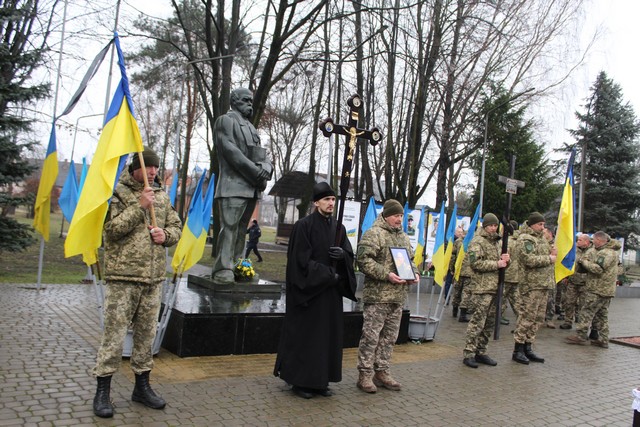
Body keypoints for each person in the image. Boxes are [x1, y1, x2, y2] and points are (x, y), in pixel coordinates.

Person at [92, 147, 182, 418]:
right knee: (114, 337)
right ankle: (102, 392)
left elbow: (176, 227)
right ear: (135, 169)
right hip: (123, 278)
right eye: (148, 167)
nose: (153, 172)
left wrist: (164, 235)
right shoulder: (118, 192)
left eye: (156, 168)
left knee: (146, 337)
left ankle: (141, 388)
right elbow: (111, 231)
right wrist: (139, 206)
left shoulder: (162, 197)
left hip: (153, 279)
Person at [273, 182, 357, 399]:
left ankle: (320, 381)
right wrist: (329, 275)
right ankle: (300, 382)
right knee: (307, 338)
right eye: (326, 200)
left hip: (330, 295)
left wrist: (344, 256)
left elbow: (349, 256)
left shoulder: (339, 228)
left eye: (333, 200)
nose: (330, 204)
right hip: (309, 294)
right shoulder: (304, 225)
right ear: (316, 202)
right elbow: (300, 262)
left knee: (326, 339)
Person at [356, 199, 419, 392]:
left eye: (401, 216)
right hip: (378, 297)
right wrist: (387, 275)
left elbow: (411, 260)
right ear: (386, 215)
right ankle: (364, 375)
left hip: (397, 297)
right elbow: (363, 260)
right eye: (395, 215)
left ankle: (381, 372)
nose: (399, 219)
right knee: (371, 337)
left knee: (389, 338)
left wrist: (414, 273)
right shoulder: (374, 234)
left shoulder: (404, 238)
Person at [211, 88, 273, 284]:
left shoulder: (252, 128)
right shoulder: (225, 121)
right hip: (232, 186)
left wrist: (266, 169)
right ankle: (223, 269)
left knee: (240, 230)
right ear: (234, 101)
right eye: (246, 100)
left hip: (250, 188)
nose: (250, 104)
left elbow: (262, 156)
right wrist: (256, 173)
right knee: (229, 228)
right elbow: (232, 153)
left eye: (251, 101)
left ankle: (238, 266)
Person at [462, 213, 510, 368]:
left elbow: (502, 264)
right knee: (477, 322)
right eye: (490, 225)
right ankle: (469, 353)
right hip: (482, 288)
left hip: (495, 287)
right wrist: (497, 264)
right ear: (485, 226)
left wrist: (506, 261)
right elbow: (475, 263)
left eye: (495, 225)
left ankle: (481, 351)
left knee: (490, 322)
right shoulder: (477, 241)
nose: (493, 228)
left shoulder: (498, 242)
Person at [511, 212, 556, 365]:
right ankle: (518, 349)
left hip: (543, 284)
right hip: (531, 285)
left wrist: (552, 252)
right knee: (527, 317)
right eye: (539, 224)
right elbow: (528, 259)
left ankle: (528, 347)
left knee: (538, 318)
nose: (542, 227)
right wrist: (549, 259)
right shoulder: (525, 239)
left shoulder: (542, 239)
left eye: (543, 225)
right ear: (531, 224)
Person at [565, 231, 621, 348]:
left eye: (594, 240)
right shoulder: (611, 251)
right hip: (606, 291)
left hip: (597, 289)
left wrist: (583, 262)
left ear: (600, 240)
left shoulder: (605, 253)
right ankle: (603, 339)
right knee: (602, 315)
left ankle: (581, 336)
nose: (592, 242)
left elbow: (597, 269)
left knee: (586, 312)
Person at [560, 233, 591, 329]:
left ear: (586, 241)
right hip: (573, 281)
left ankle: (581, 324)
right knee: (569, 302)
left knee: (583, 305)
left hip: (586, 283)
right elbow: (568, 263)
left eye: (580, 240)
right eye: (578, 240)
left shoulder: (592, 252)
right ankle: (568, 321)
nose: (578, 242)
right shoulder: (574, 250)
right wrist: (565, 276)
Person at [501, 220, 521, 325]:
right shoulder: (520, 241)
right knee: (517, 301)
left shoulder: (506, 241)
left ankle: (499, 316)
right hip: (517, 275)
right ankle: (521, 321)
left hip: (507, 274)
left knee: (501, 298)